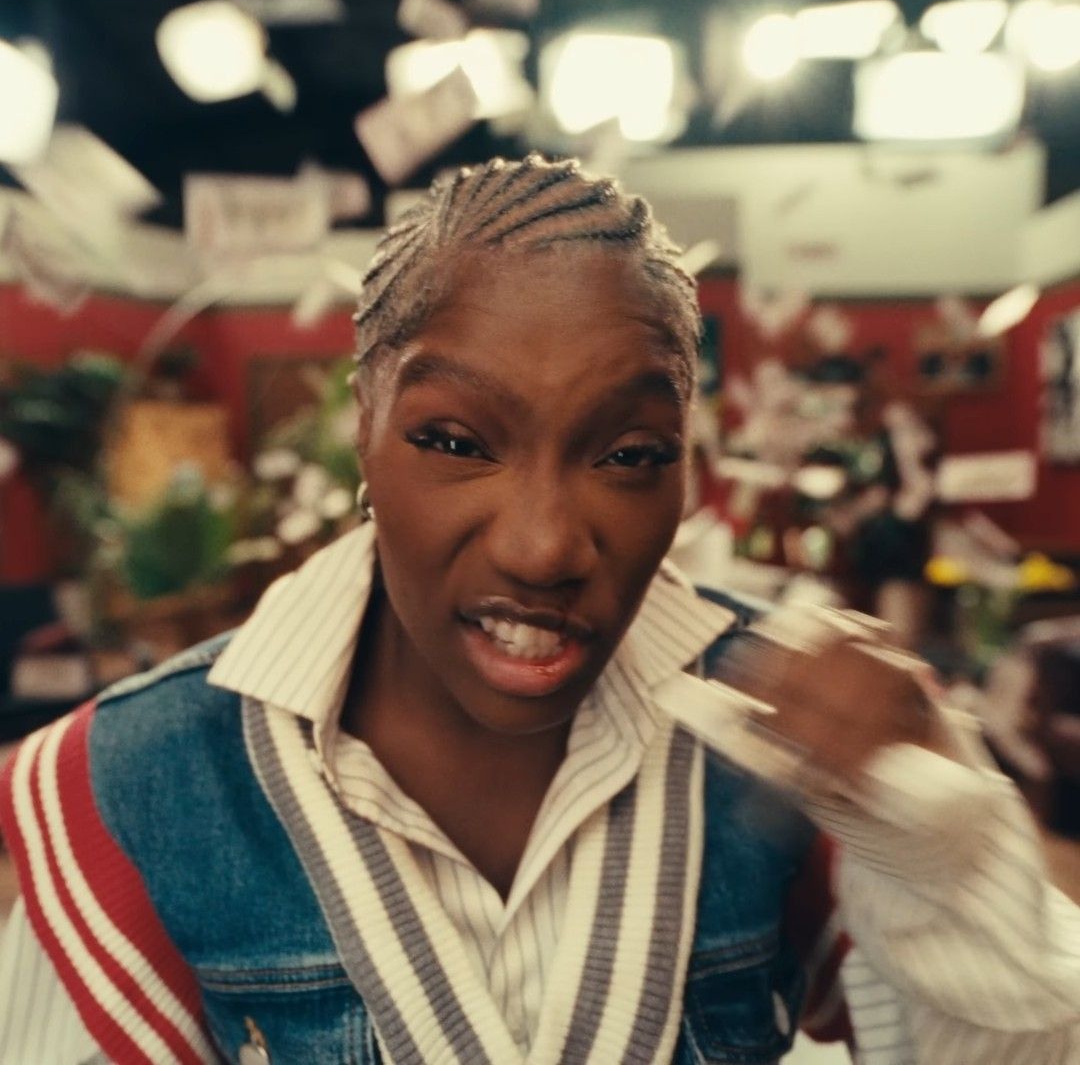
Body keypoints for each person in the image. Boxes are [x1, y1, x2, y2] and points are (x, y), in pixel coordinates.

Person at [1, 154, 1078, 1065]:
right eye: (456, 442)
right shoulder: (127, 785)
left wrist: (934, 843)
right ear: (365, 424)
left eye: (630, 454)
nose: (544, 545)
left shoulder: (794, 744)